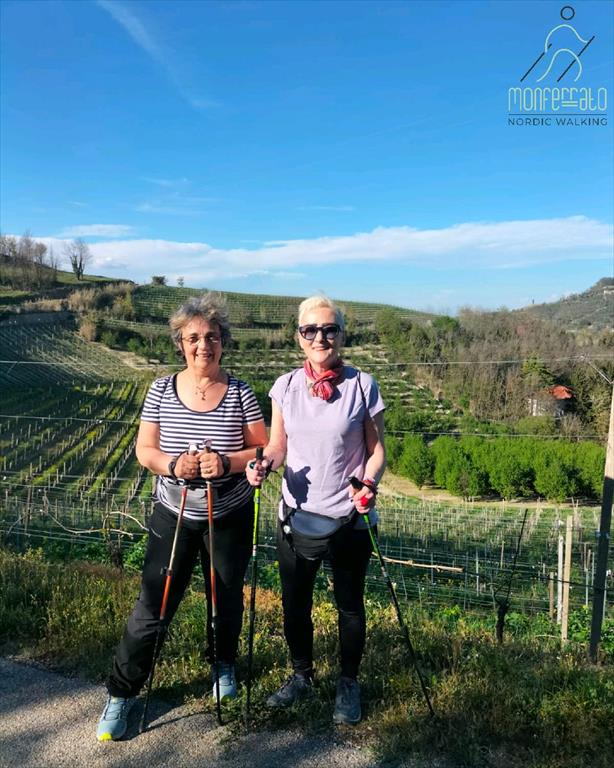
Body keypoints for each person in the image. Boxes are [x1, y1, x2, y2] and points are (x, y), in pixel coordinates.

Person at [97, 293, 266, 741]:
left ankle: (223, 666)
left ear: (223, 341)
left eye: (212, 336)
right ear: (180, 344)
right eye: (193, 338)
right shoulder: (160, 389)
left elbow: (261, 450)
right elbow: (145, 450)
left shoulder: (241, 392)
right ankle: (121, 693)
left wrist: (225, 463)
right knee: (154, 605)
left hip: (227, 515)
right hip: (173, 514)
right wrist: (175, 465)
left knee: (225, 598)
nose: (203, 345)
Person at [246, 295, 385, 725]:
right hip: (296, 516)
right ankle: (301, 675)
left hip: (349, 517)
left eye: (329, 329)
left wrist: (369, 484)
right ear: (299, 337)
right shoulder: (285, 387)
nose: (320, 337)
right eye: (311, 330)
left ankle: (348, 683)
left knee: (349, 605)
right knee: (295, 603)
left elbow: (377, 451)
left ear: (341, 335)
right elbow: (277, 445)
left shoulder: (362, 385)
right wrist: (264, 465)